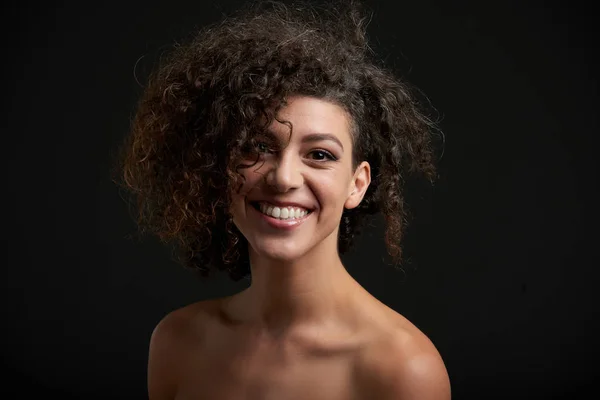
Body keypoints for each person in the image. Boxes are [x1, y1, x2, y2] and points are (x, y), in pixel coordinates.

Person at [114, 0, 450, 398]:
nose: (284, 177)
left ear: (356, 185)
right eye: (258, 146)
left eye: (320, 155)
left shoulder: (403, 371)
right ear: (217, 165)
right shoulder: (178, 341)